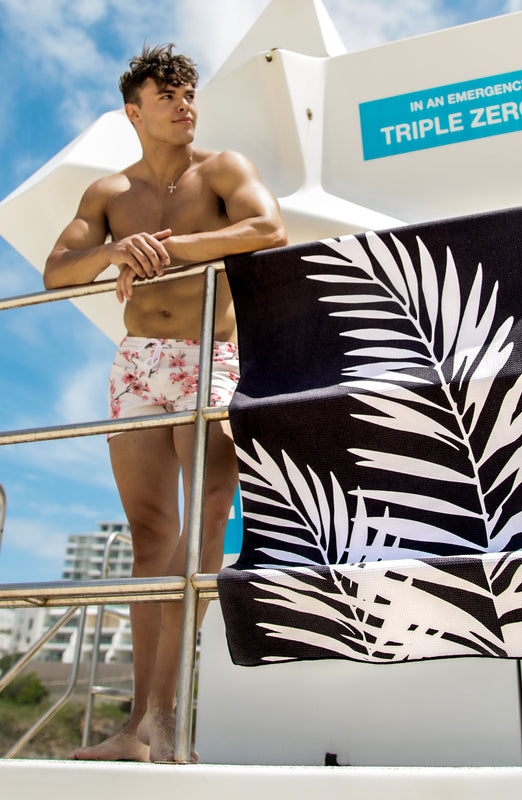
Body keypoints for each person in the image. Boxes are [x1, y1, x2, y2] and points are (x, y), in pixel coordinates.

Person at [43, 43, 288, 763]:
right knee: (151, 537)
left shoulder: (223, 168)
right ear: (134, 112)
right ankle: (135, 728)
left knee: (210, 512)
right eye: (170, 97)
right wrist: (117, 254)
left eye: (190, 95)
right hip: (139, 365)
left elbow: (266, 229)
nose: (186, 106)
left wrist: (172, 249)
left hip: (211, 359)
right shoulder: (109, 193)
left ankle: (171, 712)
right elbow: (59, 270)